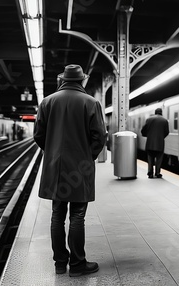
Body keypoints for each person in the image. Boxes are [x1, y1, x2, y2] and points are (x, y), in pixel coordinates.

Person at [33, 64, 107, 277]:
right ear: (82, 80)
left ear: (62, 80)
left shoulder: (47, 102)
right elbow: (100, 137)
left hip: (55, 167)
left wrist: (53, 151)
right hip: (80, 168)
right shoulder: (91, 103)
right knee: (77, 215)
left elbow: (38, 135)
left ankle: (59, 263)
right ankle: (77, 264)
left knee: (57, 214)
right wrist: (87, 156)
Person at [141, 108, 169, 178]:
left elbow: (143, 130)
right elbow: (167, 132)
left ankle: (150, 173)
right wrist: (161, 137)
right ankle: (157, 173)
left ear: (155, 112)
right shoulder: (165, 121)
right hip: (160, 143)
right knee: (159, 158)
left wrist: (147, 135)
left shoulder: (149, 119)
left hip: (150, 142)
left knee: (150, 158)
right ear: (161, 113)